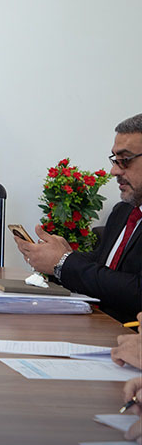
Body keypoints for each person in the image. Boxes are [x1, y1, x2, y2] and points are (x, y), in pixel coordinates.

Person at [15, 113, 142, 323]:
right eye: (114, 160)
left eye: (125, 160)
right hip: (98, 325)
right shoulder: (124, 211)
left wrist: (63, 263)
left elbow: (136, 291)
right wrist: (58, 255)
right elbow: (102, 266)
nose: (113, 171)